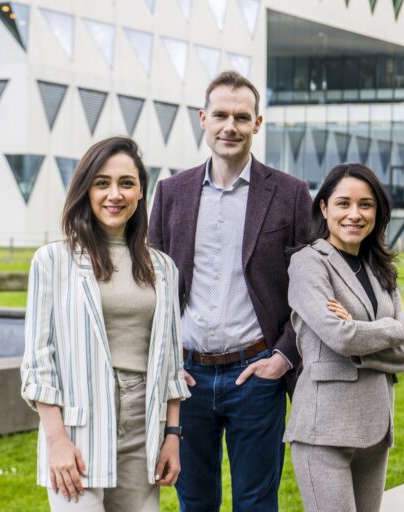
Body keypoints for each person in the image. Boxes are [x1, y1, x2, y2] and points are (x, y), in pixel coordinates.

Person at [149, 71, 312, 511]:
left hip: (256, 374)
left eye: (242, 117)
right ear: (203, 119)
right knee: (195, 502)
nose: (230, 126)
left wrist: (283, 357)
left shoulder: (291, 194)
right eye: (220, 115)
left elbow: (311, 289)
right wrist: (165, 365)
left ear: (257, 124)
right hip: (187, 379)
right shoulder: (169, 193)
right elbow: (152, 288)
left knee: (257, 504)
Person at [20, 136, 190, 512]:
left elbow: (172, 365)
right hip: (78, 424)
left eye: (126, 183)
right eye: (102, 183)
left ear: (141, 192)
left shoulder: (163, 268)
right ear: (86, 190)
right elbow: (38, 362)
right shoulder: (52, 261)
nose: (115, 194)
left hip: (143, 421)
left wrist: (173, 436)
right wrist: (56, 441)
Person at [284, 163, 404, 512]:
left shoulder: (380, 269)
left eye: (366, 205)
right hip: (322, 431)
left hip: (374, 427)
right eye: (344, 203)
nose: (354, 214)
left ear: (378, 212)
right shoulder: (308, 263)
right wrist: (391, 329)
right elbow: (339, 337)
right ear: (324, 207)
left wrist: (360, 335)